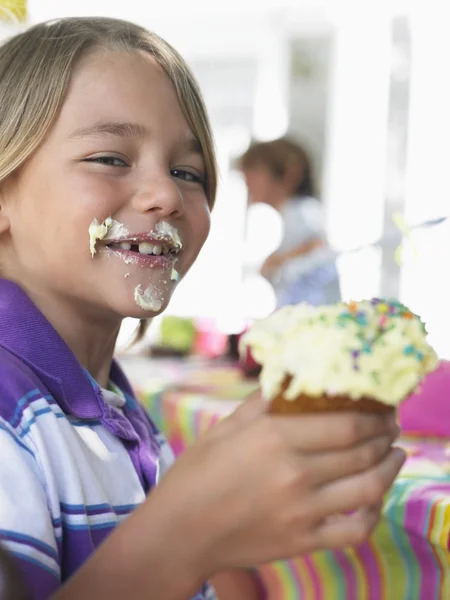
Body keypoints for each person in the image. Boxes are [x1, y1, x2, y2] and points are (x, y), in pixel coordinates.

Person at [0, 16, 405, 600]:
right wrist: (187, 534)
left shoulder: (113, 401)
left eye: (188, 172)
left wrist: (224, 541)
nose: (166, 195)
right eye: (110, 158)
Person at [238, 137, 342, 307]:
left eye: (254, 171)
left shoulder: (304, 212)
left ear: (290, 174)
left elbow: (315, 252)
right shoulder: (292, 213)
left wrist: (275, 263)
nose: (247, 180)